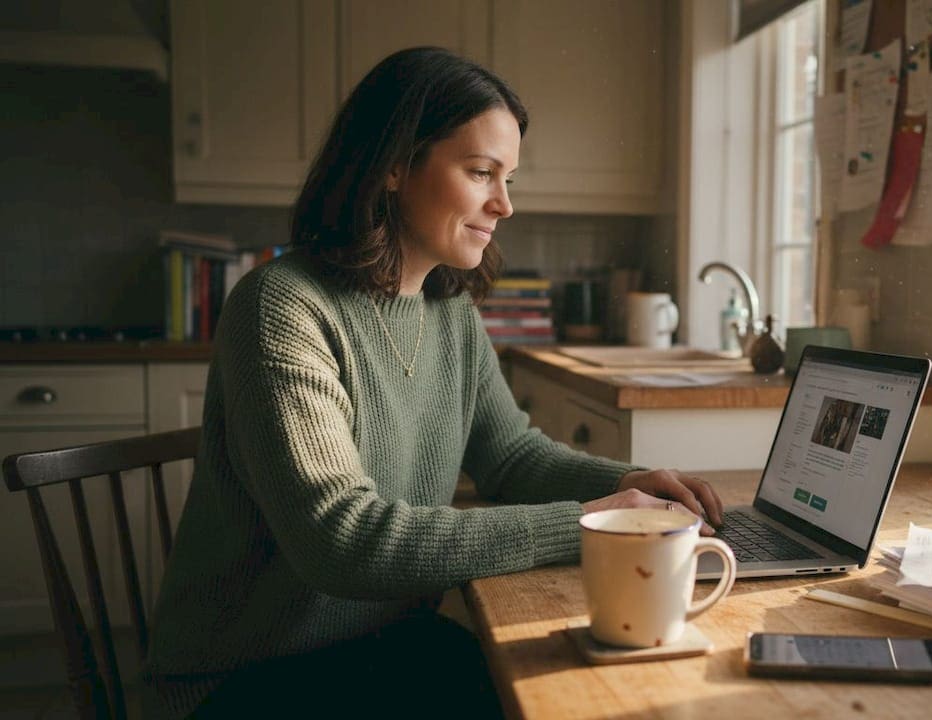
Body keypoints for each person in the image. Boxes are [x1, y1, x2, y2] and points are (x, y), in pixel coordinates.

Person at [142, 46, 724, 719]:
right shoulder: (282, 309)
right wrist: (598, 522)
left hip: (379, 648)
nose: (504, 204)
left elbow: (512, 458)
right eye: (481, 172)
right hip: (247, 678)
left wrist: (634, 484)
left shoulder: (449, 312)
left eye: (509, 178)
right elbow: (344, 542)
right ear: (393, 164)